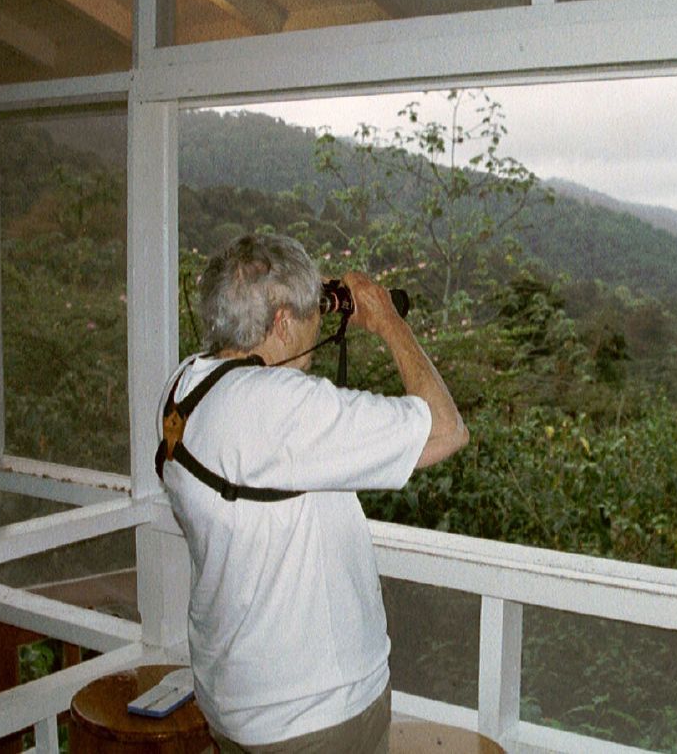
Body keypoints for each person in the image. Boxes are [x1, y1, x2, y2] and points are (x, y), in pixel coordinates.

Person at [155, 233, 468, 753]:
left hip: (232, 697)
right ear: (281, 324)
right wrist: (389, 320)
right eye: (308, 312)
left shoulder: (184, 386)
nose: (318, 321)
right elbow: (447, 428)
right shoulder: (283, 409)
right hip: (313, 717)